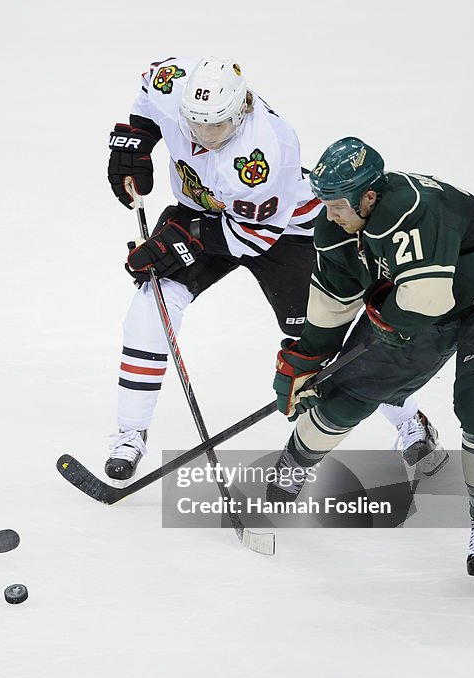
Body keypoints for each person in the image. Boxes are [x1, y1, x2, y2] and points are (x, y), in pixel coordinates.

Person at [103, 56, 445, 481]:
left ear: (242, 108)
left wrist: (182, 239)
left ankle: (408, 419)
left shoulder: (263, 154)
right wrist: (138, 136)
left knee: (319, 346)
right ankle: (129, 434)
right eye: (196, 125)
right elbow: (147, 99)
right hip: (200, 214)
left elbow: (252, 238)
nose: (205, 137)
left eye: (217, 127)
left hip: (285, 233)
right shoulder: (171, 83)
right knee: (148, 313)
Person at [271, 136, 474, 592]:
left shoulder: (410, 209)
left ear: (370, 196)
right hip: (415, 307)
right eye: (325, 204)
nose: (329, 214)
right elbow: (332, 304)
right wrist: (304, 361)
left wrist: (387, 316)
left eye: (337, 204)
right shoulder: (336, 227)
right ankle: (292, 466)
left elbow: (427, 298)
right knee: (343, 392)